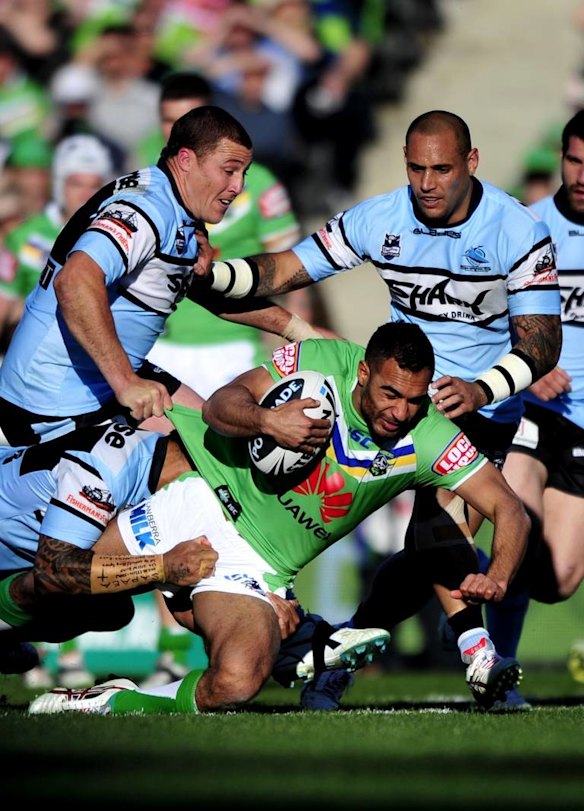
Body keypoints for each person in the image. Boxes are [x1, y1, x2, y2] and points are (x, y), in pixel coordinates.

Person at [198, 109, 563, 710]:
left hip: (480, 406)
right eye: (416, 168)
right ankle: (459, 658)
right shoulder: (380, 218)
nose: (427, 183)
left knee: (429, 541)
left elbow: (542, 343)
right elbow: (289, 268)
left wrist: (480, 389)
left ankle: (361, 656)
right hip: (398, 400)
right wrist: (221, 273)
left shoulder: (516, 231)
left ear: (471, 163)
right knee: (428, 542)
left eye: (442, 168)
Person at [28, 323, 531, 716]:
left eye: (414, 401)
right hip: (201, 497)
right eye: (390, 394)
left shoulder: (430, 435)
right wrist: (267, 421)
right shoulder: (320, 362)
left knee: (236, 683)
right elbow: (222, 405)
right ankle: (303, 641)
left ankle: (114, 700)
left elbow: (509, 508)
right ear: (363, 373)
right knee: (56, 584)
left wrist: (500, 575)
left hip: (256, 565)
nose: (401, 413)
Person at [0, 104, 319, 447]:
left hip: (107, 376)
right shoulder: (146, 209)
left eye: (244, 173)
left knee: (219, 440)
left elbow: (200, 290)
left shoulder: (180, 207)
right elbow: (74, 282)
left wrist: (296, 330)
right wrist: (124, 382)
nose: (238, 186)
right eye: (229, 170)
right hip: (54, 401)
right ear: (185, 160)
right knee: (206, 462)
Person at [137, 70, 305, 686]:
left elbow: (283, 274)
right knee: (166, 493)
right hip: (169, 356)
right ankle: (166, 646)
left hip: (234, 356)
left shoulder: (255, 188)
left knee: (257, 486)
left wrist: (295, 350)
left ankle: (271, 610)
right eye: (165, 117)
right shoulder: (152, 189)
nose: (170, 126)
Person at [493, 110, 584, 682]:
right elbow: (478, 312)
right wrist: (530, 358)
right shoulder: (525, 226)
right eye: (574, 161)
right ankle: (497, 671)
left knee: (559, 579)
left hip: (582, 426)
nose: (582, 175)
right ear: (560, 157)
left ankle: (461, 570)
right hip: (528, 410)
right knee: (516, 525)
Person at [0, 133, 114, 354]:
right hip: (31, 350)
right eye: (76, 184)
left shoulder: (115, 237)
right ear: (60, 185)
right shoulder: (25, 235)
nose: (86, 195)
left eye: (95, 185)